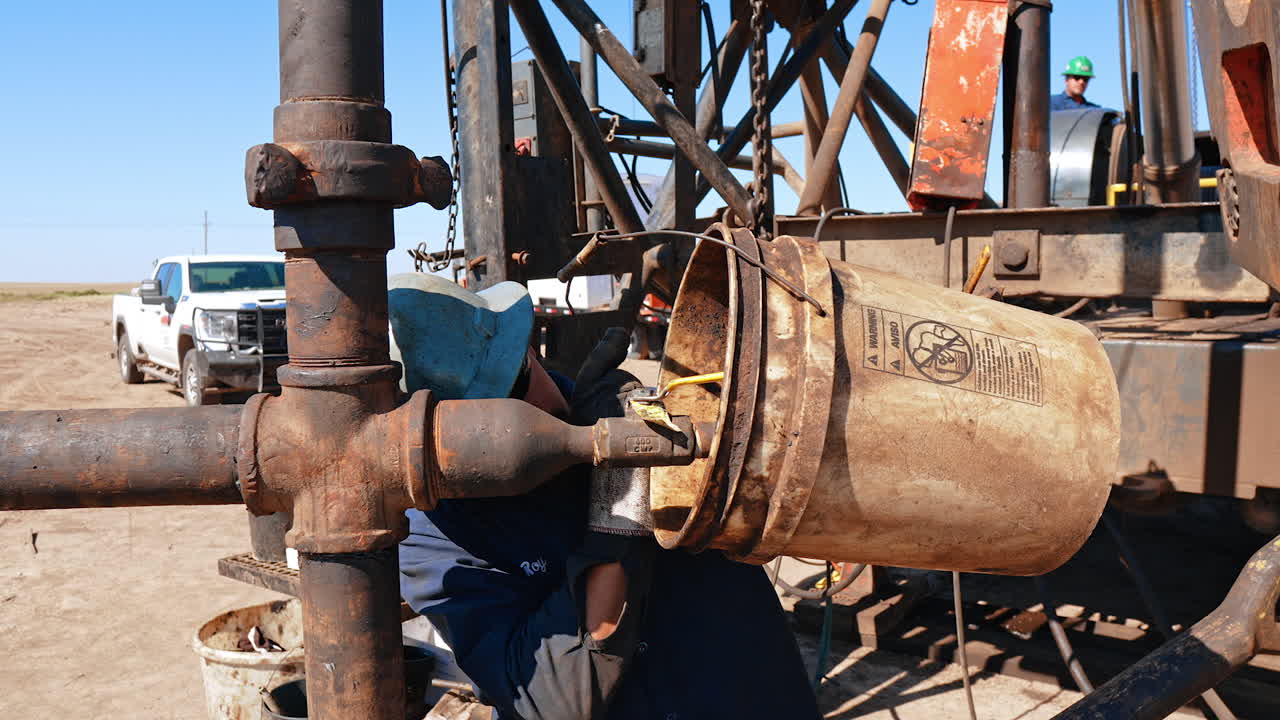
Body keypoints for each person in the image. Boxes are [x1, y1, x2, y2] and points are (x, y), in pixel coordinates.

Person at [389, 272, 820, 720]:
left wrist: (639, 427)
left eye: (518, 377)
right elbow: (552, 700)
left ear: (529, 351)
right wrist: (620, 496)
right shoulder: (434, 539)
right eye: (492, 419)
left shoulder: (619, 416)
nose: (529, 413)